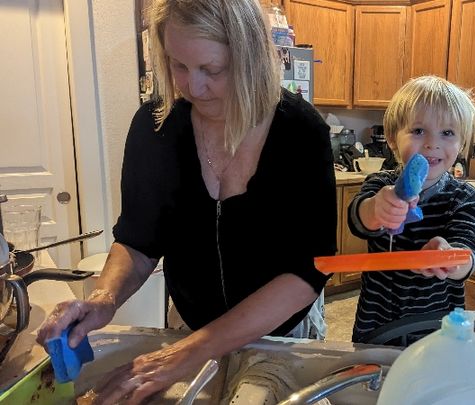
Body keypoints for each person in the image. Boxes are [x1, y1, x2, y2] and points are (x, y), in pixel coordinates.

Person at [36, 0, 336, 402]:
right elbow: (139, 242)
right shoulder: (155, 127)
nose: (193, 87)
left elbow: (306, 271)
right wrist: (104, 297)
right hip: (187, 327)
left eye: (212, 70)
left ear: (248, 57)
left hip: (279, 334)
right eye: (179, 65)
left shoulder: (301, 132)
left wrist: (189, 353)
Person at [349, 76, 475, 343]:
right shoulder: (380, 185)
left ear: (461, 144)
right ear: (392, 138)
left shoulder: (463, 197)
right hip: (377, 323)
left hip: (437, 330)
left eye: (447, 133)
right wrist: (377, 210)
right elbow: (358, 220)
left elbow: (470, 250)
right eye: (419, 131)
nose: (432, 143)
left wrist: (449, 258)